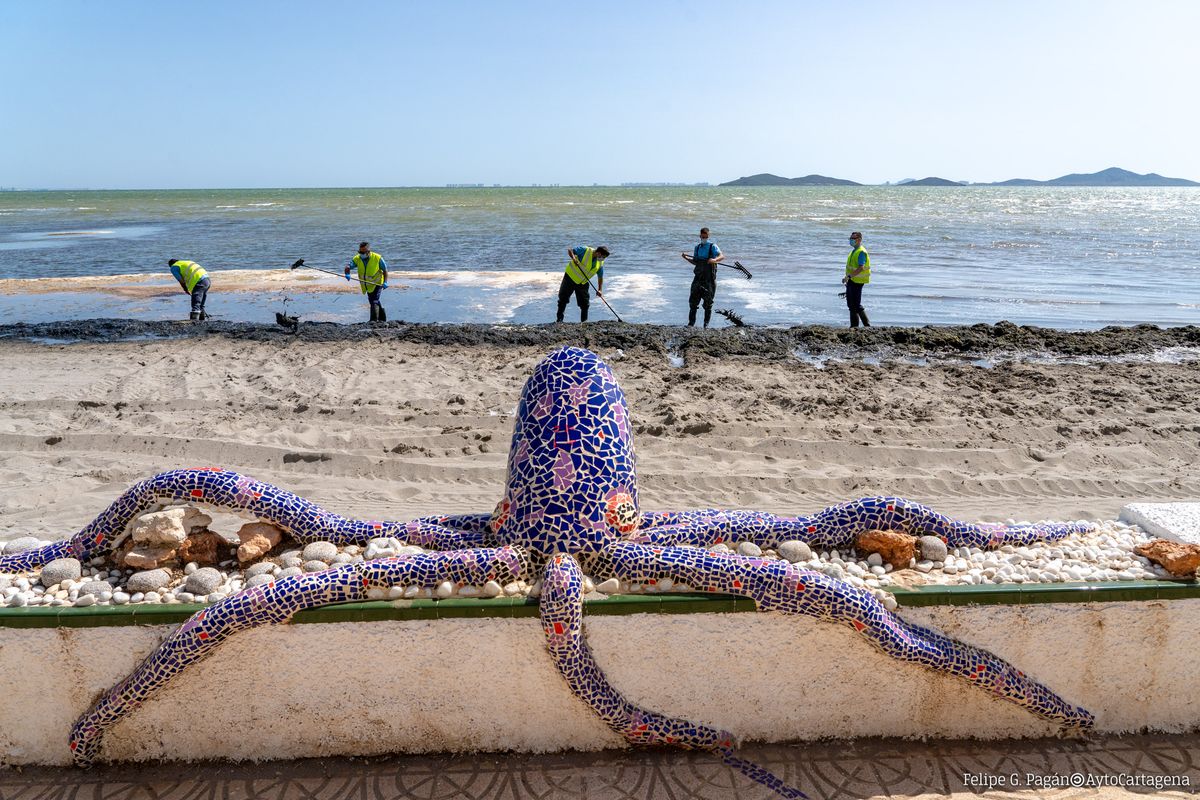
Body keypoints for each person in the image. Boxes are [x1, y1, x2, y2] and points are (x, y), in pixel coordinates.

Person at [681, 227, 725, 327]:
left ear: (708, 236)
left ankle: (706, 325)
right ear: (700, 236)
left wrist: (714, 260)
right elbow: (695, 262)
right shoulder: (697, 247)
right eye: (702, 237)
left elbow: (722, 256)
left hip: (709, 280)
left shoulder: (712, 246)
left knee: (708, 304)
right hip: (697, 278)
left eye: (706, 237)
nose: (704, 238)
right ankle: (691, 324)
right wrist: (686, 258)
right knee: (693, 302)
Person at [557, 245, 610, 323]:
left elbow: (600, 277)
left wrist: (599, 289)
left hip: (582, 282)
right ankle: (559, 320)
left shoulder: (600, 263)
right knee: (563, 299)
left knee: (585, 304)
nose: (603, 259)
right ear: (599, 253)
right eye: (603, 257)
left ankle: (584, 322)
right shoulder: (585, 250)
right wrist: (574, 258)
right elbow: (570, 250)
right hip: (570, 278)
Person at [344, 241, 389, 322]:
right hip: (367, 285)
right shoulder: (357, 258)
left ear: (368, 251)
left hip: (377, 283)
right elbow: (348, 266)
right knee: (373, 299)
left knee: (374, 300)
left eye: (363, 252)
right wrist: (347, 273)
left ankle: (373, 320)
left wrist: (385, 282)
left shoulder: (377, 258)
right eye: (360, 252)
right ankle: (382, 318)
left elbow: (385, 271)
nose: (361, 254)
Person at [842, 231, 871, 328]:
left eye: (853, 239)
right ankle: (854, 326)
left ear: (859, 240)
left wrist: (849, 276)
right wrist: (847, 278)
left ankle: (866, 325)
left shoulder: (861, 252)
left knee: (856, 305)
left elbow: (861, 268)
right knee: (851, 304)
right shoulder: (853, 251)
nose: (851, 240)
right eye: (850, 238)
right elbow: (851, 267)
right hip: (851, 280)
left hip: (857, 281)